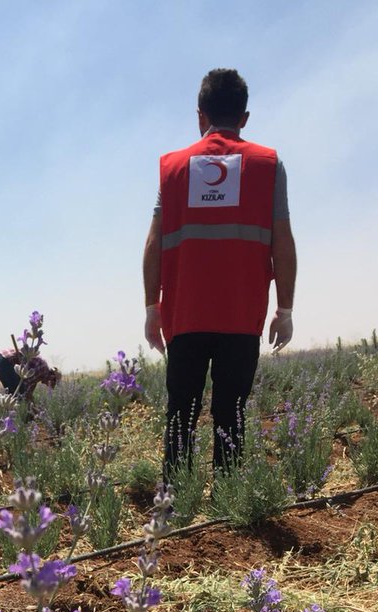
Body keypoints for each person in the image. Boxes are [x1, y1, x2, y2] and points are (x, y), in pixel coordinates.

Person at [143, 68, 297, 474]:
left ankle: (173, 506)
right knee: (231, 414)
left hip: (185, 314)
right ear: (244, 117)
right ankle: (226, 505)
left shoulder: (173, 168)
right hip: (240, 316)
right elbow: (282, 240)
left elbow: (154, 243)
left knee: (180, 415)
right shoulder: (268, 165)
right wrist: (285, 309)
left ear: (200, 115)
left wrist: (151, 308)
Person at [0, 338, 61, 414]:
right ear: (51, 377)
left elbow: (29, 390)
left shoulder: (41, 374)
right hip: (4, 360)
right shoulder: (43, 369)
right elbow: (25, 383)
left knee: (12, 394)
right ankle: (23, 417)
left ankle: (8, 416)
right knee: (18, 394)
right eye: (53, 383)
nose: (49, 386)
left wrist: (31, 402)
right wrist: (31, 405)